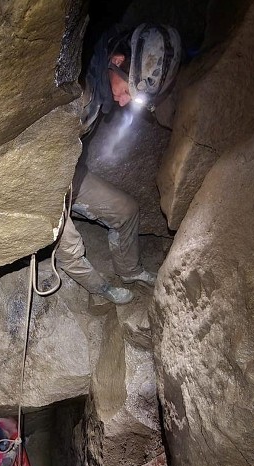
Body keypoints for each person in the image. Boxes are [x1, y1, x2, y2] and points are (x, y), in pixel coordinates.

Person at [57, 23, 182, 305]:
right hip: (36, 183)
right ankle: (98, 288)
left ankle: (129, 271)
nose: (125, 102)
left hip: (68, 173)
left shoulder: (100, 89)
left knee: (126, 210)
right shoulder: (75, 86)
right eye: (128, 91)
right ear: (117, 61)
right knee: (68, 243)